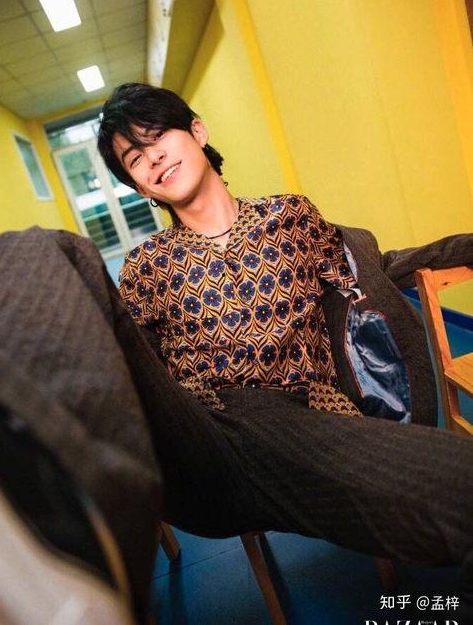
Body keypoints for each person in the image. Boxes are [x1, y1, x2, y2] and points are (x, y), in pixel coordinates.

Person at [97, 82, 473, 619]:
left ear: (198, 131)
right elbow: (138, 365)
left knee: (458, 489)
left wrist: (465, 247)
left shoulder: (289, 217)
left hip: (311, 418)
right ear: (138, 186)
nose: (152, 157)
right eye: (135, 158)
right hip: (209, 435)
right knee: (60, 260)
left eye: (157, 136)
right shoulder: (146, 265)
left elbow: (372, 268)